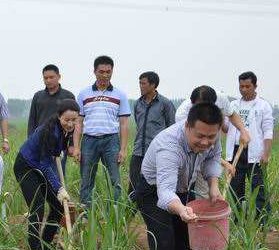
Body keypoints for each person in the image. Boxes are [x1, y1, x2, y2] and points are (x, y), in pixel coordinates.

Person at [135, 103, 224, 250]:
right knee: (164, 246)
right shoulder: (168, 145)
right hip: (153, 190)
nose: (205, 142)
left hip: (183, 188)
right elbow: (165, 192)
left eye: (210, 137)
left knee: (186, 242)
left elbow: (212, 159)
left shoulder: (211, 137)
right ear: (187, 126)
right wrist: (181, 210)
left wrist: (213, 185)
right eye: (200, 136)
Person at [15, 99, 79, 250]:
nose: (70, 124)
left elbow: (53, 157)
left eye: (74, 120)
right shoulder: (49, 131)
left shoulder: (65, 130)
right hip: (26, 167)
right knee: (37, 209)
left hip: (41, 166)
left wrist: (59, 152)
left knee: (58, 207)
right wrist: (58, 188)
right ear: (59, 116)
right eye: (67, 120)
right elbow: (44, 164)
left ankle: (44, 246)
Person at [74, 55, 131, 209]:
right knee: (86, 181)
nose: (105, 75)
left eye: (108, 72)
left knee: (114, 181)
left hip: (111, 141)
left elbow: (124, 123)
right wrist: (77, 147)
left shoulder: (120, 95)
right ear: (94, 72)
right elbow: (78, 122)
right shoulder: (83, 94)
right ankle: (86, 216)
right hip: (89, 141)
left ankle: (114, 214)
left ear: (112, 72)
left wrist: (123, 150)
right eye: (101, 72)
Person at [176, 85, 250, 198]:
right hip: (190, 155)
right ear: (193, 103)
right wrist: (225, 164)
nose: (204, 111)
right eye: (200, 107)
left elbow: (232, 114)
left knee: (209, 192)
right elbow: (199, 149)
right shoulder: (183, 116)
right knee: (193, 190)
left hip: (210, 150)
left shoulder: (221, 99)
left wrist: (243, 131)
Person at [226, 71, 274, 221]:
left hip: (255, 152)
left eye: (247, 86)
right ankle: (238, 218)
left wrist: (266, 154)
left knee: (258, 187)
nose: (244, 89)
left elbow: (268, 132)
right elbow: (226, 128)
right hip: (235, 151)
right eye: (241, 86)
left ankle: (262, 220)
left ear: (255, 86)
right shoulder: (233, 105)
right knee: (235, 186)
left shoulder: (263, 106)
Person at [129, 71, 176, 204]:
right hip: (138, 151)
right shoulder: (137, 103)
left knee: (156, 185)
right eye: (139, 83)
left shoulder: (165, 104)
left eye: (143, 83)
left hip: (157, 153)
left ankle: (154, 213)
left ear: (153, 85)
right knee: (133, 185)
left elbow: (171, 128)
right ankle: (128, 216)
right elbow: (139, 125)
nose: (140, 86)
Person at [27, 64, 76, 136]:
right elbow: (32, 120)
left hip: (61, 138)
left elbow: (74, 120)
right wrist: (30, 139)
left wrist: (71, 143)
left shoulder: (68, 96)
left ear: (59, 77)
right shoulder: (38, 96)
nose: (48, 80)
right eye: (45, 78)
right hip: (40, 138)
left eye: (51, 77)